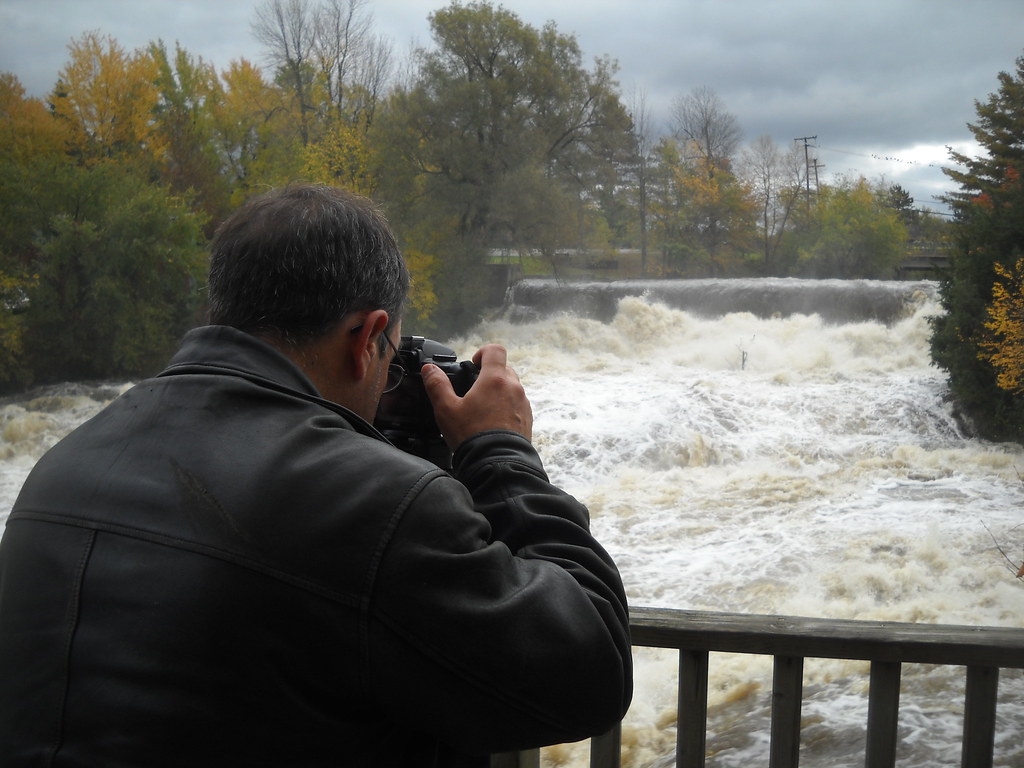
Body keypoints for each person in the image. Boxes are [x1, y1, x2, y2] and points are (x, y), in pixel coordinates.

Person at [0, 184, 632, 767]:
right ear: (368, 336)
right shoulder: (376, 504)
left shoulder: (63, 465)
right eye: (391, 356)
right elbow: (589, 670)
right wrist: (500, 448)